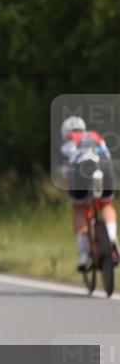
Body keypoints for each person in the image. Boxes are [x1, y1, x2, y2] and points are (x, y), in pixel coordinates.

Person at [59, 116, 117, 270]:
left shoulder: (67, 141)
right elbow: (108, 157)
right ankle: (111, 239)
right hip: (103, 167)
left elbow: (65, 173)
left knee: (78, 208)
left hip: (80, 171)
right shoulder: (95, 136)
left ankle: (83, 254)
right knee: (106, 205)